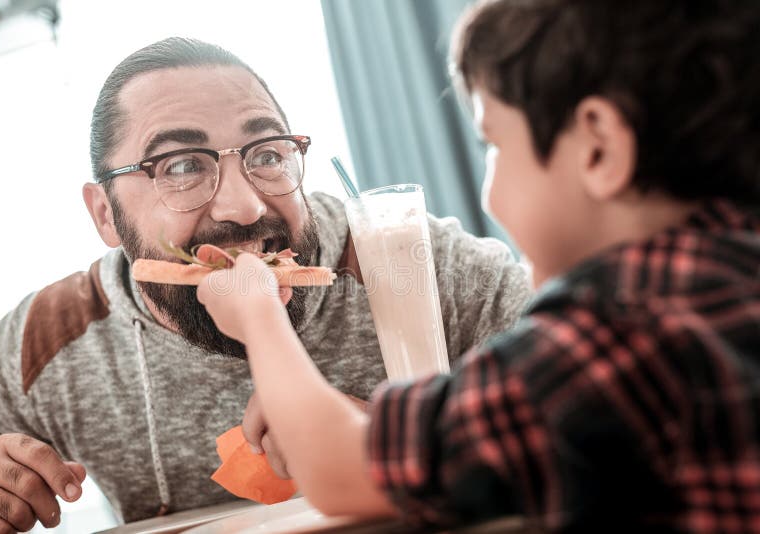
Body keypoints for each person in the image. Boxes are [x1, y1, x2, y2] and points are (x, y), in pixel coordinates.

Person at [195, 0, 760, 531]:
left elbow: (340, 471)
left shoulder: (616, 331)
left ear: (599, 148)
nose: (490, 194)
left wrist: (259, 316)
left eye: (493, 144)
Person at [0, 37, 530, 531]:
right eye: (181, 165)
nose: (244, 204)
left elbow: (593, 417)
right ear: (105, 214)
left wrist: (406, 435)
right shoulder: (48, 338)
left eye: (266, 154)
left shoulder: (415, 261)